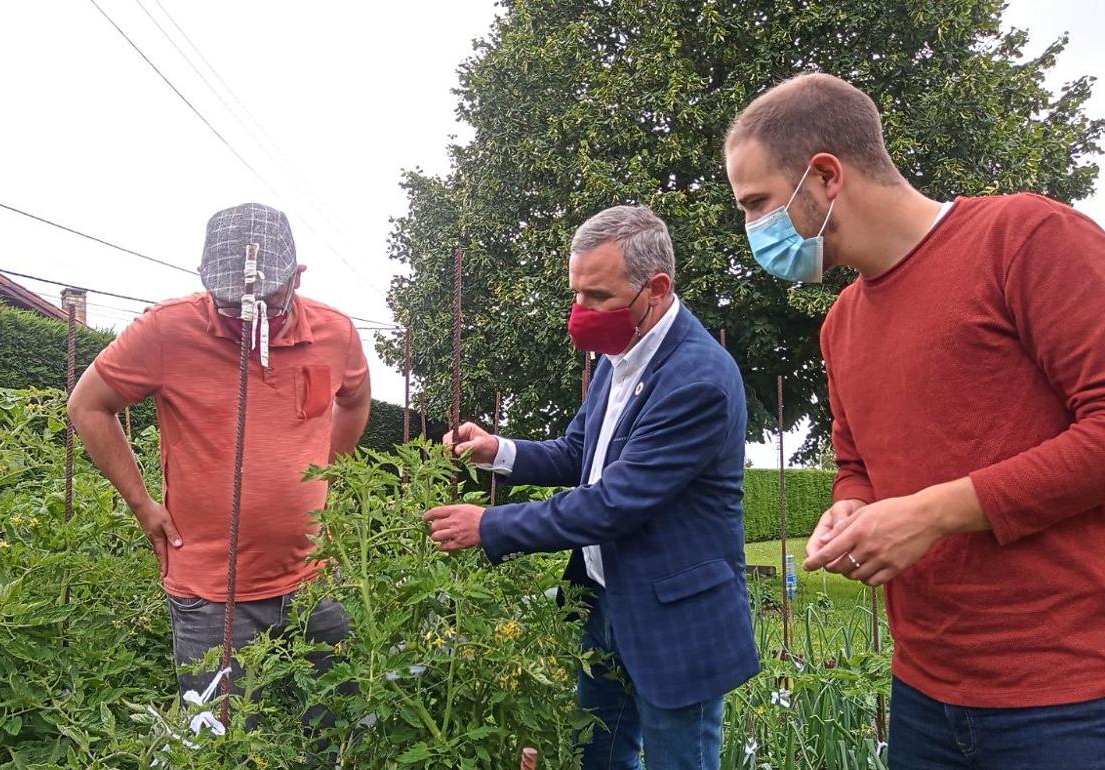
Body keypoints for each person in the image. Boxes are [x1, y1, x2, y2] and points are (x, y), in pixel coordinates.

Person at [725, 72, 1105, 769]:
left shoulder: (1024, 238)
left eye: (757, 203)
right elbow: (856, 465)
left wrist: (932, 513)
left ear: (826, 176)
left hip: (1068, 697)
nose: (754, 230)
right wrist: (849, 507)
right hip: (924, 694)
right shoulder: (840, 325)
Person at [423, 205, 758, 770]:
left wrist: (489, 525)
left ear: (655, 289)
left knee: (681, 760)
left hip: (675, 617)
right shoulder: (619, 355)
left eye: (598, 296)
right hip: (604, 600)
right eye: (576, 294)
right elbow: (581, 453)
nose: (582, 312)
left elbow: (613, 502)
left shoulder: (698, 379)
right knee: (596, 757)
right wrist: (499, 451)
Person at [69, 202, 371, 704]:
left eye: (265, 299)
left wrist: (327, 476)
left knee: (339, 722)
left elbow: (355, 400)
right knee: (224, 740)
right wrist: (142, 504)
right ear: (204, 279)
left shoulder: (334, 333)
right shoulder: (167, 331)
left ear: (297, 276)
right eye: (230, 303)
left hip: (315, 578)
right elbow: (87, 406)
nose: (246, 313)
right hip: (209, 591)